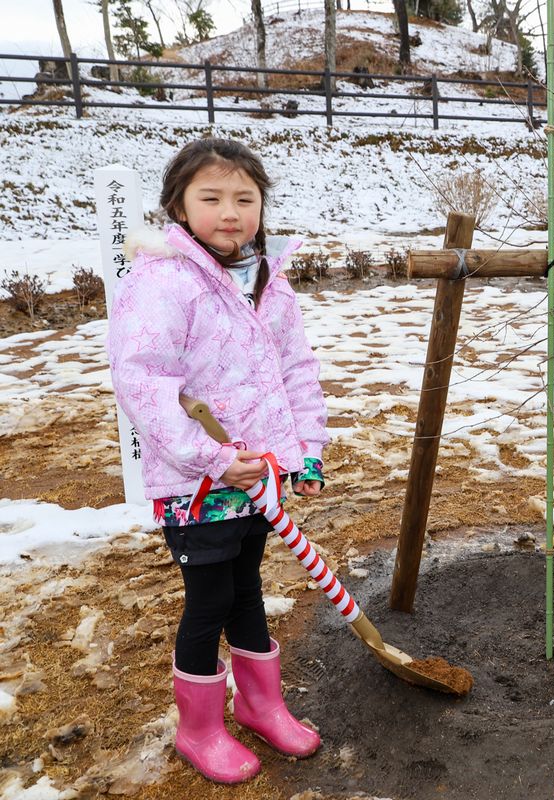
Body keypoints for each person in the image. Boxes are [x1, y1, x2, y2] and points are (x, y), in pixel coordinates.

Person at [108, 138, 328, 784]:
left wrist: (305, 452)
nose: (229, 212)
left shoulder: (266, 279)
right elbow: (144, 381)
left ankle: (262, 704)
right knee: (208, 601)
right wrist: (211, 457)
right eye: (211, 198)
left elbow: (295, 370)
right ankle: (198, 728)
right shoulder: (163, 280)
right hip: (197, 483)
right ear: (178, 205)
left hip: (258, 479)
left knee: (248, 588)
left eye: (244, 198)